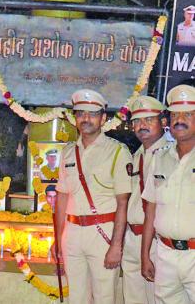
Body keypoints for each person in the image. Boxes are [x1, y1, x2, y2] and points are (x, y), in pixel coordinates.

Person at [55, 89, 132, 304]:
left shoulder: (117, 151)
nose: (85, 119)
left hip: (103, 234)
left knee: (104, 297)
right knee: (76, 298)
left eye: (92, 114)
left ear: (103, 118)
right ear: (75, 118)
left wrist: (116, 245)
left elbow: (122, 203)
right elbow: (61, 198)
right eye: (80, 113)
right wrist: (58, 237)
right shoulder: (68, 152)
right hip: (72, 234)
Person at [141, 84, 195, 304]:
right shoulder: (159, 157)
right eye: (175, 114)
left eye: (188, 114)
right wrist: (145, 255)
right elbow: (151, 210)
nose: (179, 119)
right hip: (165, 254)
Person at [122, 96, 171, 304]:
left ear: (163, 122)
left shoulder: (172, 155)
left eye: (148, 120)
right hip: (132, 238)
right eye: (136, 121)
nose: (141, 126)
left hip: (156, 242)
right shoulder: (137, 155)